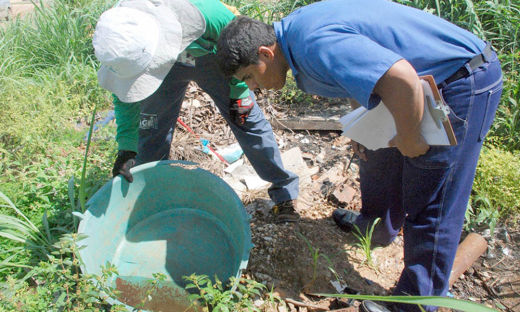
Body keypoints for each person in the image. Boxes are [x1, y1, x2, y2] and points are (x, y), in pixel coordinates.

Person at [216, 0, 502, 310]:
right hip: (414, 84)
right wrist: (362, 124)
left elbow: (403, 78)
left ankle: (415, 302)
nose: (254, 87)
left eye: (249, 77)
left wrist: (411, 139)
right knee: (375, 154)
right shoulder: (289, 38)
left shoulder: (313, 44)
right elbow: (353, 76)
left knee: (432, 197)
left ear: (265, 54)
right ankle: (377, 228)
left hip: (459, 79)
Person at [91, 0, 301, 222]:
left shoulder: (204, 13)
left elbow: (241, 47)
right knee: (151, 127)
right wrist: (126, 147)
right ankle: (151, 202)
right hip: (158, 65)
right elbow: (125, 93)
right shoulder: (117, 36)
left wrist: (238, 95)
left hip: (213, 53)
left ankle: (284, 194)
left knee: (245, 119)